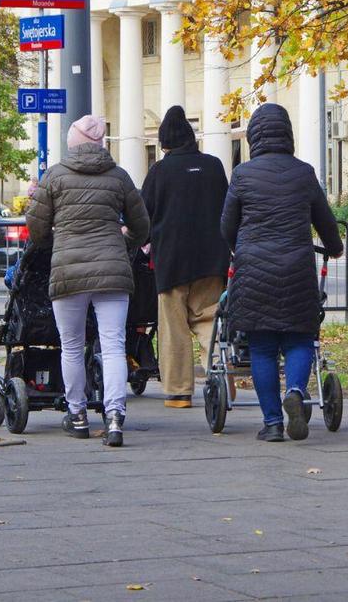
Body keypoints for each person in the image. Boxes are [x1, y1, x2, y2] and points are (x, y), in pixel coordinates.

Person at [221, 103, 345, 442]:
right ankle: (294, 390)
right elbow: (325, 221)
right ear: (287, 133)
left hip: (254, 269)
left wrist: (241, 246)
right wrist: (334, 247)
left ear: (254, 135)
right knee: (300, 338)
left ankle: (273, 423)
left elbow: (226, 226)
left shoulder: (243, 174)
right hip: (296, 267)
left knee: (261, 347)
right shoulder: (303, 172)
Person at [26, 115, 150, 447]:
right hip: (113, 271)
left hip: (68, 270)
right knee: (112, 346)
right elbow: (142, 225)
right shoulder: (120, 177)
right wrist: (123, 245)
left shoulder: (54, 176)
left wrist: (58, 242)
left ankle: (77, 414)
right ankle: (113, 417)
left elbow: (36, 229)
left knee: (71, 346)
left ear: (72, 143)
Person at [141, 106, 230, 408]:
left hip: (171, 261)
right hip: (211, 259)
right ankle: (221, 379)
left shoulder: (159, 172)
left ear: (164, 143)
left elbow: (144, 217)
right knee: (210, 321)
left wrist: (141, 241)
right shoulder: (215, 166)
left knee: (173, 328)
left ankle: (179, 392)